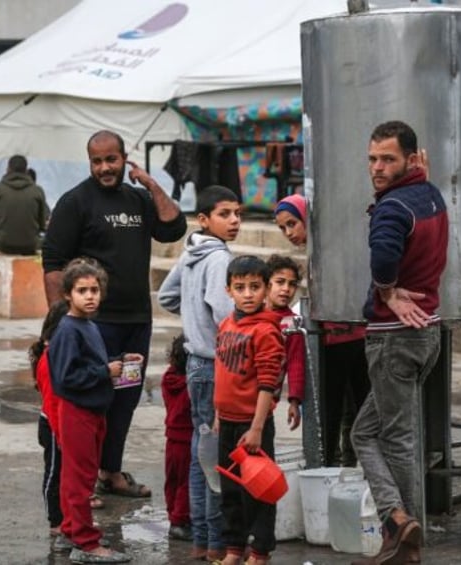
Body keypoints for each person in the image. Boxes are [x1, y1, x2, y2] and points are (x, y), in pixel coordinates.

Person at [42, 130, 187, 504]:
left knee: (125, 399)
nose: (105, 168)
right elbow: (54, 264)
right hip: (93, 327)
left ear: (125, 159)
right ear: (89, 162)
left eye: (112, 160)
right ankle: (82, 481)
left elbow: (173, 227)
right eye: (97, 161)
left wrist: (152, 183)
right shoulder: (75, 202)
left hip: (136, 322)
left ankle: (110, 472)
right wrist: (58, 325)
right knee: (91, 402)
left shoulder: (139, 199)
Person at [350, 120, 448, 565]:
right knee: (363, 433)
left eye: (388, 159)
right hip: (426, 334)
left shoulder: (392, 209)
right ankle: (400, 523)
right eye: (372, 158)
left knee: (396, 438)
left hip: (395, 338)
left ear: (409, 159)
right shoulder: (428, 194)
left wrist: (387, 289)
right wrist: (416, 177)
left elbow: (384, 253)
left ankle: (404, 532)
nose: (377, 167)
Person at [157, 184, 242, 562]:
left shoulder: (192, 250)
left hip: (195, 362)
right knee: (215, 457)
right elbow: (227, 317)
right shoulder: (219, 258)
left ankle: (202, 541)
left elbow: (168, 296)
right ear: (204, 219)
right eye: (225, 214)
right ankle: (217, 543)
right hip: (214, 364)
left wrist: (193, 320)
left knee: (199, 453)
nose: (235, 221)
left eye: (237, 213)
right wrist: (207, 324)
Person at [274, 194, 370, 466]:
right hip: (334, 341)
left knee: (351, 411)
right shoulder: (315, 251)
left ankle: (350, 470)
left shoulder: (329, 251)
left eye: (292, 224)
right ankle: (332, 470)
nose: (288, 232)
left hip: (346, 340)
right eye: (283, 228)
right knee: (334, 413)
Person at [47, 258, 130, 564]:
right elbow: (66, 377)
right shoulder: (68, 329)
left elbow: (90, 364)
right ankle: (85, 542)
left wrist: (119, 362)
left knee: (80, 474)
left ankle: (71, 529)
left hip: (94, 411)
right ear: (68, 294)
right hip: (77, 411)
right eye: (82, 290)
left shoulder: (88, 325)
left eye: (95, 289)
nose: (90, 296)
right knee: (80, 478)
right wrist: (103, 372)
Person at [214, 255, 285, 565]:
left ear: (266, 289)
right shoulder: (226, 324)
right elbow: (222, 373)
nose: (247, 294)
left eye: (255, 287)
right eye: (240, 287)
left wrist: (256, 428)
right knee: (230, 492)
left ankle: (259, 552)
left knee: (258, 492)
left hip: (251, 426)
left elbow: (267, 384)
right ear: (229, 290)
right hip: (227, 422)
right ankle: (234, 548)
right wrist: (218, 414)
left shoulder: (267, 331)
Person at [29, 300, 70, 539]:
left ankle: (65, 516)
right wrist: (61, 434)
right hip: (54, 426)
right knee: (54, 473)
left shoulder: (60, 356)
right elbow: (53, 403)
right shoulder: (49, 361)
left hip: (62, 425)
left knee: (66, 474)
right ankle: (55, 520)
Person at [265, 254, 304, 430]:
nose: (286, 289)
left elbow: (296, 363)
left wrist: (294, 401)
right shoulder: (252, 315)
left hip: (267, 403)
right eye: (280, 282)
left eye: (292, 284)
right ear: (266, 283)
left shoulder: (293, 323)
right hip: (239, 398)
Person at [161, 333, 194, 542]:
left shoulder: (168, 378)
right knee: (186, 482)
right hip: (188, 438)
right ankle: (180, 521)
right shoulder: (191, 383)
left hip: (172, 438)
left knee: (173, 479)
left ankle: (173, 514)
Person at [0, 154, 48, 255]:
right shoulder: (37, 191)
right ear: (26, 170)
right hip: (31, 244)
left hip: (2, 244)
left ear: (8, 169)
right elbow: (42, 225)